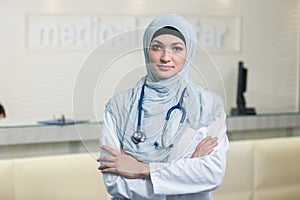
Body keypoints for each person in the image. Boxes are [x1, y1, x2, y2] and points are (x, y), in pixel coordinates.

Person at [98, 13, 229, 200]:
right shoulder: (118, 107)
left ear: (189, 53)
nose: (166, 57)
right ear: (147, 51)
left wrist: (142, 169)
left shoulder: (209, 107)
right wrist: (186, 171)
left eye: (177, 49)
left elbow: (212, 174)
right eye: (157, 47)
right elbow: (115, 183)